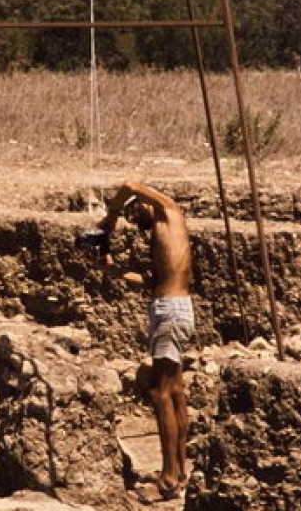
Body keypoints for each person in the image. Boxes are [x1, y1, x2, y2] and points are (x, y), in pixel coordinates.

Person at [97, 179, 194, 504]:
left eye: (134, 211)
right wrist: (113, 270)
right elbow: (153, 281)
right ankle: (179, 472)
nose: (134, 218)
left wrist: (110, 216)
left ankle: (167, 479)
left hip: (170, 312)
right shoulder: (162, 237)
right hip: (169, 309)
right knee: (175, 391)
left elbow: (128, 183)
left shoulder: (171, 213)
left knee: (160, 393)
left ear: (147, 203)